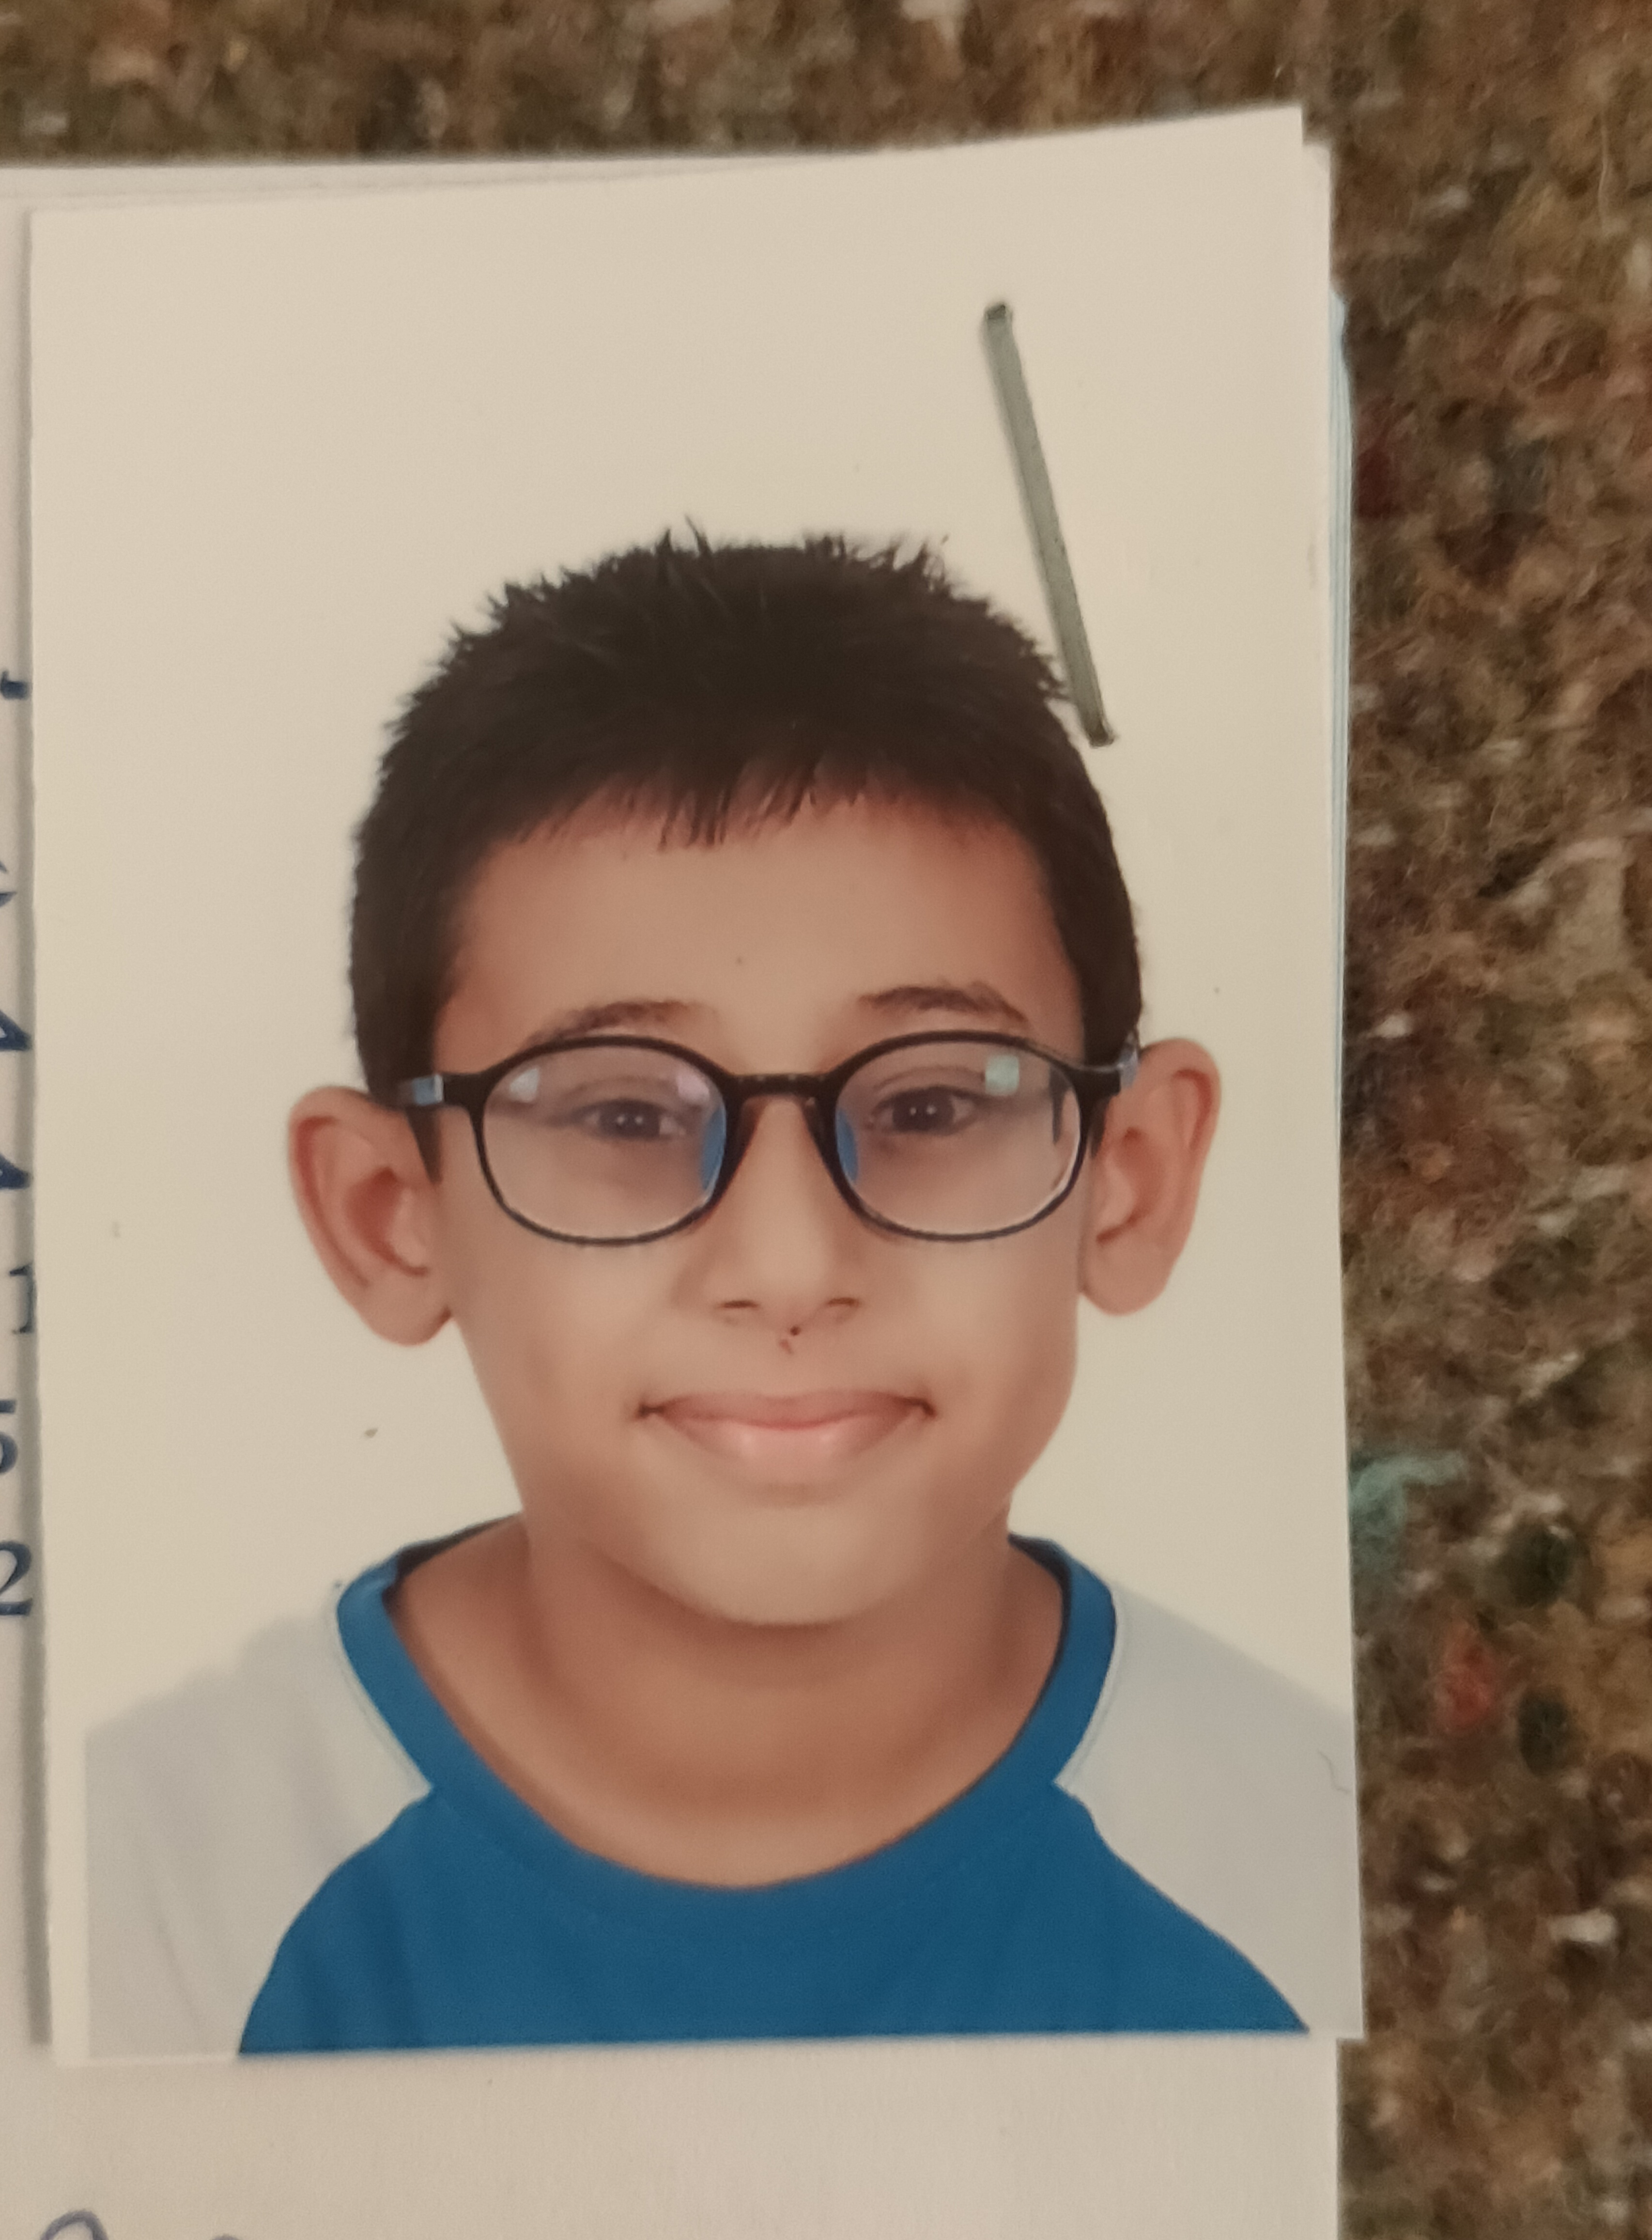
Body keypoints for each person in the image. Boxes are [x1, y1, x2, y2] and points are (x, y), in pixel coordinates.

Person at [86, 533, 1359, 2058]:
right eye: (622, 1114)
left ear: (1129, 1179)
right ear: (389, 1217)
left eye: (931, 1104)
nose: (788, 1268)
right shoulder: (135, 1911)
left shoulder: (1332, 1886)